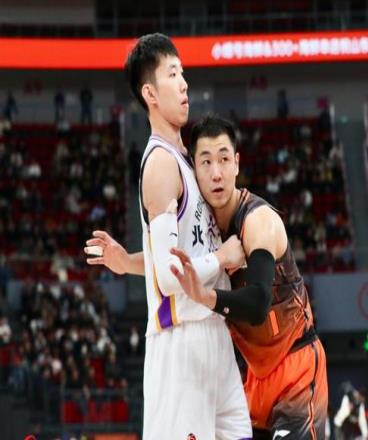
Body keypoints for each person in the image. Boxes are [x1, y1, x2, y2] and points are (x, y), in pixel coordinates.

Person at [85, 34, 251, 440]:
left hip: (214, 332)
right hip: (180, 343)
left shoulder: (186, 158)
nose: (184, 84)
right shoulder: (160, 163)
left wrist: (128, 262)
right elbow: (169, 276)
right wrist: (224, 257)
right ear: (150, 94)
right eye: (173, 74)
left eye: (183, 73)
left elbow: (175, 256)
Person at [170, 115, 328, 439]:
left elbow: (257, 304)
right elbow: (171, 264)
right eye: (206, 162)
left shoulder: (258, 220)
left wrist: (205, 296)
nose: (216, 172)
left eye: (224, 159)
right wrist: (126, 261)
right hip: (250, 376)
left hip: (294, 365)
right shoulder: (202, 229)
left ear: (237, 164)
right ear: (194, 169)